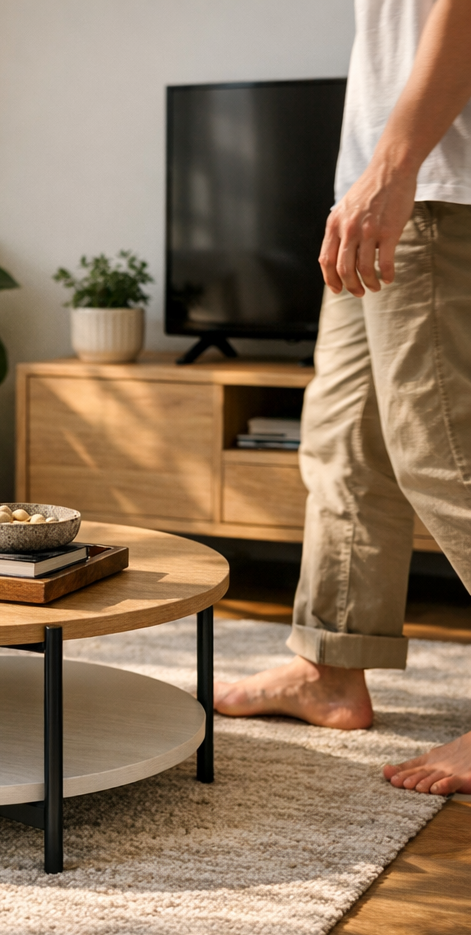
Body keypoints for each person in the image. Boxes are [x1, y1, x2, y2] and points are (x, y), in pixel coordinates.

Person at [213, 0, 471, 796]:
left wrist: (394, 171)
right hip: (379, 182)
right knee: (344, 442)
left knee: (442, 454)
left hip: (431, 185)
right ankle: (330, 670)